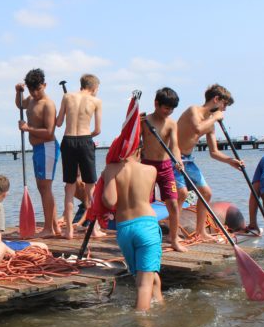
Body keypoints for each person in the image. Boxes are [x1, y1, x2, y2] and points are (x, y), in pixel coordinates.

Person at [174, 84, 243, 241]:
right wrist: (214, 118)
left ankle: (201, 232)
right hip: (174, 156)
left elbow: (214, 152)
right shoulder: (193, 110)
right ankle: (174, 233)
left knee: (206, 193)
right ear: (216, 99)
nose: (224, 110)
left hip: (188, 159)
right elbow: (197, 129)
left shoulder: (210, 124)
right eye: (224, 105)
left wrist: (231, 161)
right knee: (182, 194)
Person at [101, 147, 164, 311]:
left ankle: (161, 305)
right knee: (144, 284)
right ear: (139, 150)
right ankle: (143, 325)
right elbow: (147, 197)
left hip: (125, 230)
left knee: (148, 277)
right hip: (147, 226)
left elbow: (110, 201)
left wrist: (108, 176)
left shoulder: (112, 169)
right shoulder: (151, 170)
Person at [56, 74, 103, 239]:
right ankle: (94, 228)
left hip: (68, 141)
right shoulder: (96, 101)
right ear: (94, 87)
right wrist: (86, 137)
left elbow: (59, 122)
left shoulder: (67, 96)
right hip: (85, 140)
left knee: (69, 188)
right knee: (91, 187)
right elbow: (97, 130)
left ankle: (68, 231)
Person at [141, 87, 187, 252]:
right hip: (147, 166)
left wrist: (178, 160)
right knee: (145, 203)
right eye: (166, 108)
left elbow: (174, 146)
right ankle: (146, 238)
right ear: (156, 104)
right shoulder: (144, 121)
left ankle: (173, 239)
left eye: (172, 109)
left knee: (173, 204)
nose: (169, 112)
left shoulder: (171, 123)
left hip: (166, 166)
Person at [15, 68, 60, 238]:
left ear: (44, 85)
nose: (34, 93)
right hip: (37, 149)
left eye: (37, 89)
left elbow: (49, 131)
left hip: (47, 147)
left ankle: (48, 228)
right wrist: (17, 92)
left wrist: (27, 129)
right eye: (31, 89)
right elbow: (20, 104)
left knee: (45, 187)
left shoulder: (48, 104)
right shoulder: (31, 99)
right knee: (43, 188)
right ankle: (54, 226)